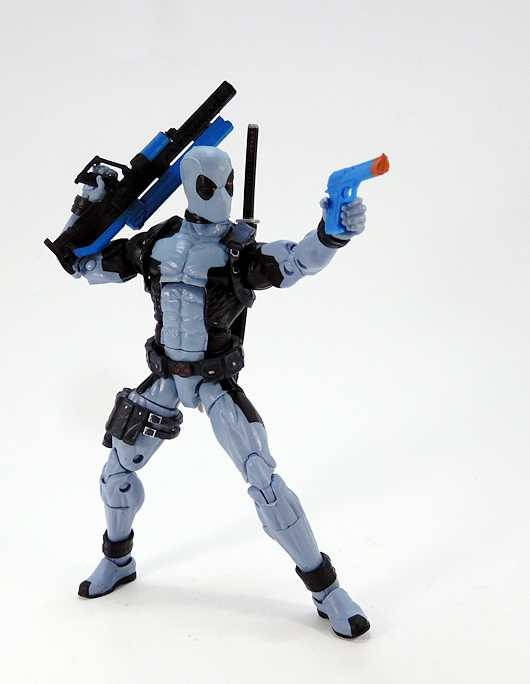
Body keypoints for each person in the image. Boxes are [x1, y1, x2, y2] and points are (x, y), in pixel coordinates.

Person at [72, 145, 370, 638]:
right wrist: (88, 204)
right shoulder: (157, 242)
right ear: (189, 186)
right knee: (116, 474)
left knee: (264, 481)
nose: (222, 194)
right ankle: (118, 559)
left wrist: (331, 232)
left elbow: (299, 262)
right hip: (166, 378)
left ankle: (327, 590)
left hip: (215, 384)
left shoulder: (239, 253)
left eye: (229, 183)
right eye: (211, 185)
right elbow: (81, 263)